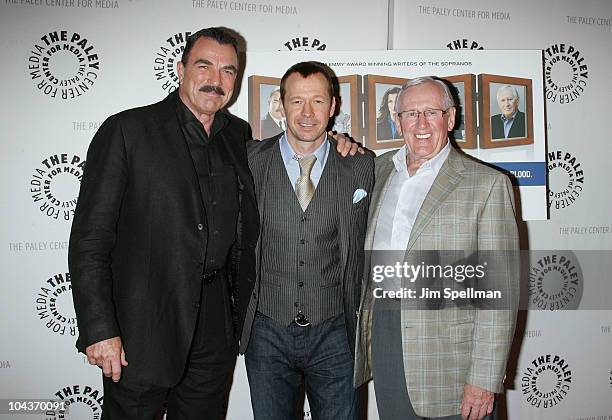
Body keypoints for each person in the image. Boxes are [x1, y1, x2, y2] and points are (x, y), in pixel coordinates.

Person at [68, 27, 260, 419]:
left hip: (214, 323)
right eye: (204, 65)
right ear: (180, 69)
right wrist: (100, 328)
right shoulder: (127, 131)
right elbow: (90, 239)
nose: (216, 79)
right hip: (142, 323)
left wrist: (341, 144)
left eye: (228, 71)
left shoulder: (237, 134)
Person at [354, 77, 519, 420]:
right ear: (397, 121)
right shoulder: (378, 170)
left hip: (453, 357)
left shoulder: (487, 185)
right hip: (386, 337)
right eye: (411, 113)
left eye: (432, 112)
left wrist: (484, 379)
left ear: (452, 117)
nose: (421, 123)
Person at [241, 61, 374, 420]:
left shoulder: (362, 165)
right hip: (266, 329)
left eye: (317, 101)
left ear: (333, 107)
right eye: (296, 101)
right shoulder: (248, 161)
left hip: (335, 330)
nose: (306, 113)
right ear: (281, 106)